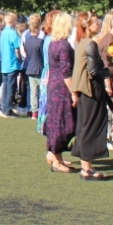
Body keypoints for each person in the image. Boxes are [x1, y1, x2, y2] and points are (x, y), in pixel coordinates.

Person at [70, 24, 111, 180]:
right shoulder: (90, 44)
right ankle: (86, 169)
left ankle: (86, 166)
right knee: (91, 126)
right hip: (91, 90)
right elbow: (93, 71)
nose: (99, 25)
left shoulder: (82, 42)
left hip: (85, 90)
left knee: (85, 126)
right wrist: (110, 71)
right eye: (95, 23)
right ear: (87, 26)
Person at [42, 12, 76, 173]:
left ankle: (56, 156)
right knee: (63, 123)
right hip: (62, 88)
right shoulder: (63, 46)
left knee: (57, 121)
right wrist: (74, 92)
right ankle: (56, 159)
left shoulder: (53, 43)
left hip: (53, 86)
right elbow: (66, 72)